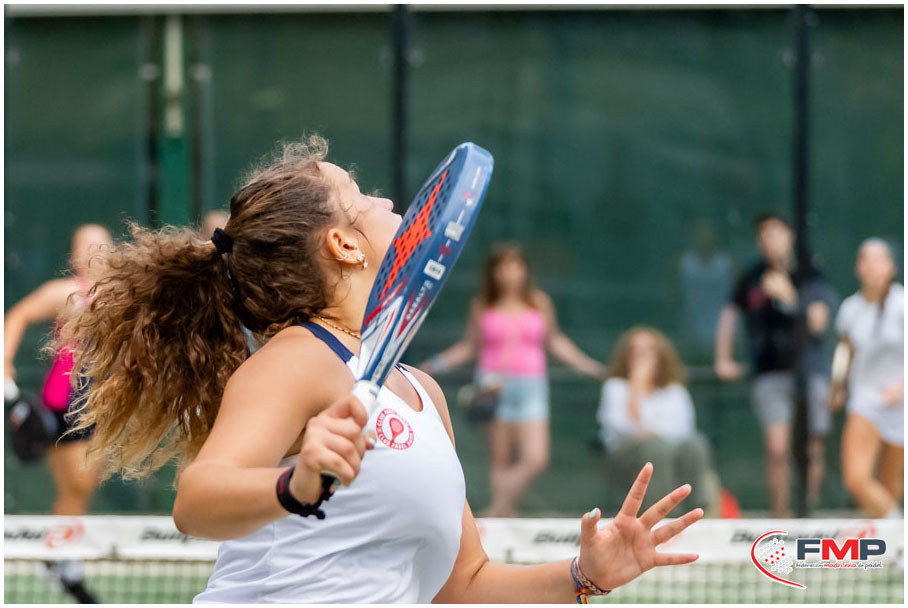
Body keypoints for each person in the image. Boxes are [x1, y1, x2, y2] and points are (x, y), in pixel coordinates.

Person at [58, 136, 702, 603]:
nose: (388, 199)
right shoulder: (298, 358)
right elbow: (197, 500)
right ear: (343, 244)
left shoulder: (422, 392)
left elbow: (463, 585)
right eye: (361, 195)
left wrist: (585, 577)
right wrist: (295, 485)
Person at [422, 244, 605, 517]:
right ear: (493, 272)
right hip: (493, 386)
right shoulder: (483, 305)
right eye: (502, 266)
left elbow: (555, 341)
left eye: (515, 265)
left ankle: (497, 507)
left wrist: (588, 366)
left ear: (525, 270)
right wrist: (433, 365)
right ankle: (505, 516)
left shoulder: (539, 303)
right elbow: (469, 346)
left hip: (531, 386)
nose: (509, 272)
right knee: (501, 458)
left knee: (536, 457)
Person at [4, 223, 113, 603]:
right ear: (74, 256)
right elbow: (18, 315)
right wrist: (5, 362)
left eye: (102, 244)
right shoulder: (64, 292)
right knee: (77, 487)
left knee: (79, 489)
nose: (96, 252)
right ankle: (63, 560)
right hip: (65, 403)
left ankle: (60, 559)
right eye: (87, 245)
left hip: (101, 404)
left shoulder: (124, 295)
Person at [713, 212, 834, 517]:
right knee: (777, 449)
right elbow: (730, 312)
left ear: (790, 235)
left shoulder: (810, 272)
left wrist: (789, 296)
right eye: (764, 235)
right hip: (769, 372)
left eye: (776, 233)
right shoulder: (753, 276)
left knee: (811, 446)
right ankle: (780, 513)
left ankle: (807, 511)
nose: (770, 241)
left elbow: (818, 322)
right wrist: (722, 358)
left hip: (809, 371)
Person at [598, 327, 719, 516]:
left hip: (671, 450)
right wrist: (636, 387)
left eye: (648, 351)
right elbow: (621, 427)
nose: (642, 358)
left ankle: (699, 511)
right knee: (656, 447)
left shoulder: (674, 391)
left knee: (695, 444)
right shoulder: (615, 387)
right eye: (636, 352)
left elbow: (683, 428)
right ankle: (663, 516)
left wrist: (653, 432)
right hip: (625, 457)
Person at [831, 238, 903, 518]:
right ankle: (899, 526)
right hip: (865, 400)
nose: (872, 267)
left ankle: (891, 538)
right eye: (866, 260)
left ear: (891, 266)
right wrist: (837, 386)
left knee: (890, 487)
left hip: (900, 405)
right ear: (858, 267)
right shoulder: (850, 309)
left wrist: (902, 389)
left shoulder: (902, 303)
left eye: (878, 260)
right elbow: (844, 352)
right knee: (856, 479)